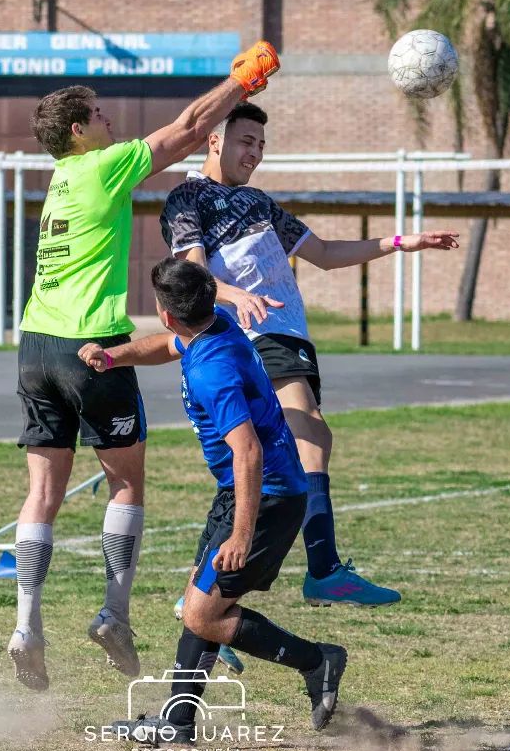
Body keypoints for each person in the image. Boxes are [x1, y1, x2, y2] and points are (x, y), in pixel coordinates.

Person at [7, 41, 281, 692]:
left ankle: (25, 628)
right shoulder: (101, 165)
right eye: (100, 115)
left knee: (42, 493)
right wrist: (241, 82)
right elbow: (187, 129)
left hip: (35, 345)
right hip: (90, 345)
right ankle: (114, 613)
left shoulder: (59, 180)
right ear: (79, 131)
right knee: (126, 483)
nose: (110, 120)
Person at [160, 101, 459, 617]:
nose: (254, 153)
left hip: (287, 334)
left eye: (261, 145)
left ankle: (200, 599)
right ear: (214, 140)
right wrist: (235, 295)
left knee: (278, 458)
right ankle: (323, 570)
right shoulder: (189, 197)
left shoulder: (258, 202)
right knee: (310, 437)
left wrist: (398, 243)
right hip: (255, 334)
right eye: (244, 141)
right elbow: (193, 274)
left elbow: (322, 253)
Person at [78, 258, 347, 742]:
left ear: (166, 313)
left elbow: (248, 451)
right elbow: (168, 345)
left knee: (203, 613)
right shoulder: (213, 323)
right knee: (199, 602)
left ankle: (317, 661)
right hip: (245, 491)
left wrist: (241, 535)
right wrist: (114, 357)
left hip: (267, 495)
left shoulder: (212, 371)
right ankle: (178, 723)